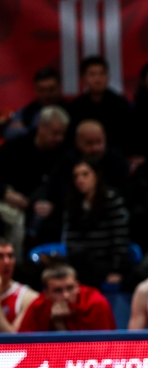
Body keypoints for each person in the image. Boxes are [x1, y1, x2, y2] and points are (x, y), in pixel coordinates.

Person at [33, 120, 129, 246]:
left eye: (99, 142)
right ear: (78, 143)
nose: (95, 148)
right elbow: (55, 189)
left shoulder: (116, 159)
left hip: (107, 210)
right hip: (71, 210)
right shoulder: (67, 160)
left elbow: (124, 190)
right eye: (89, 143)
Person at [0, 106, 69, 255]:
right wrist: (6, 193)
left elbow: (69, 187)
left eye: (62, 134)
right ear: (41, 128)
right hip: (15, 207)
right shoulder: (15, 147)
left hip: (49, 214)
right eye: (55, 133)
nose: (59, 138)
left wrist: (55, 205)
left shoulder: (65, 154)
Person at [62, 160, 131, 289]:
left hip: (105, 261)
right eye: (76, 176)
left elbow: (119, 237)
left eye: (85, 174)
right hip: (80, 260)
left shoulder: (111, 200)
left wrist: (116, 270)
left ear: (96, 176)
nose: (80, 180)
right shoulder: (72, 203)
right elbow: (70, 239)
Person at [19, 263, 116, 332]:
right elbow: (24, 345)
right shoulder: (38, 307)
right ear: (46, 293)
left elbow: (103, 347)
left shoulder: (96, 303)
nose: (66, 295)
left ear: (78, 286)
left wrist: (60, 326)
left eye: (70, 288)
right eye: (58, 290)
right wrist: (58, 324)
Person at [65, 56, 133, 154]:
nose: (97, 79)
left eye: (102, 74)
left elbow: (128, 135)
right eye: (92, 74)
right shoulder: (75, 107)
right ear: (83, 78)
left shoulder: (120, 104)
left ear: (108, 76)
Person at [4, 68, 66, 141]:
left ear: (60, 87)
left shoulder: (70, 110)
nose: (47, 94)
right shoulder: (26, 112)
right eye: (42, 90)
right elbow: (9, 133)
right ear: (35, 89)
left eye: (51, 89)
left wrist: (26, 130)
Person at [0, 239, 38, 333]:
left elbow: (15, 339)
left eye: (10, 256)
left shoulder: (28, 297)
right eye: (0, 256)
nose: (7, 262)